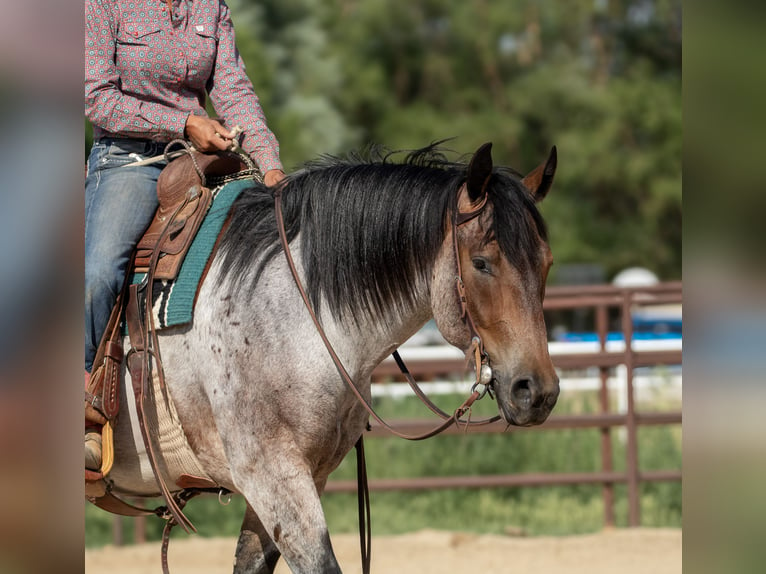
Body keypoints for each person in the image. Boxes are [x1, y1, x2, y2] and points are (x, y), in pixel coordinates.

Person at [84, 0, 285, 470]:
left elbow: (232, 88)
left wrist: (271, 166)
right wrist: (184, 122)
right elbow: (96, 95)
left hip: (200, 158)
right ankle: (87, 406)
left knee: (264, 249)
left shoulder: (210, 6)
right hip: (128, 159)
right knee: (98, 270)